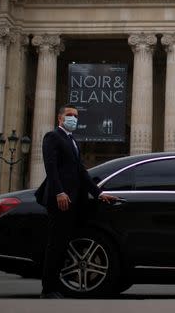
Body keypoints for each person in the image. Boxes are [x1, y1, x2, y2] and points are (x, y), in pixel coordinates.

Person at [35, 104, 117, 298]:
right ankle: (48, 289)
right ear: (60, 119)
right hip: (60, 200)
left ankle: (57, 286)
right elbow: (51, 167)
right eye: (70, 115)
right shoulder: (53, 137)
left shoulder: (72, 141)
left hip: (72, 200)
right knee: (55, 245)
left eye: (76, 116)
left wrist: (98, 193)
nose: (74, 119)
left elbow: (81, 172)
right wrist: (59, 192)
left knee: (64, 244)